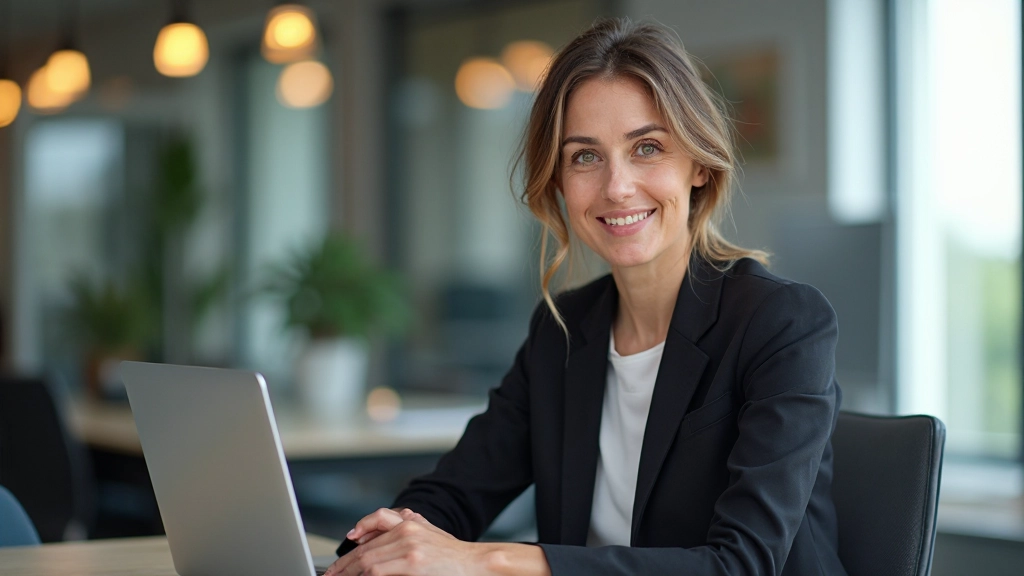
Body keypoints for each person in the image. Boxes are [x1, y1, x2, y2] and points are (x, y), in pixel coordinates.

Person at [326, 17, 847, 576]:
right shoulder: (565, 330)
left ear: (698, 164)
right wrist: (388, 543)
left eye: (647, 147)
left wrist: (490, 559)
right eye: (585, 156)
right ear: (558, 182)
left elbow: (742, 564)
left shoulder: (781, 323)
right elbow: (456, 492)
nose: (616, 186)